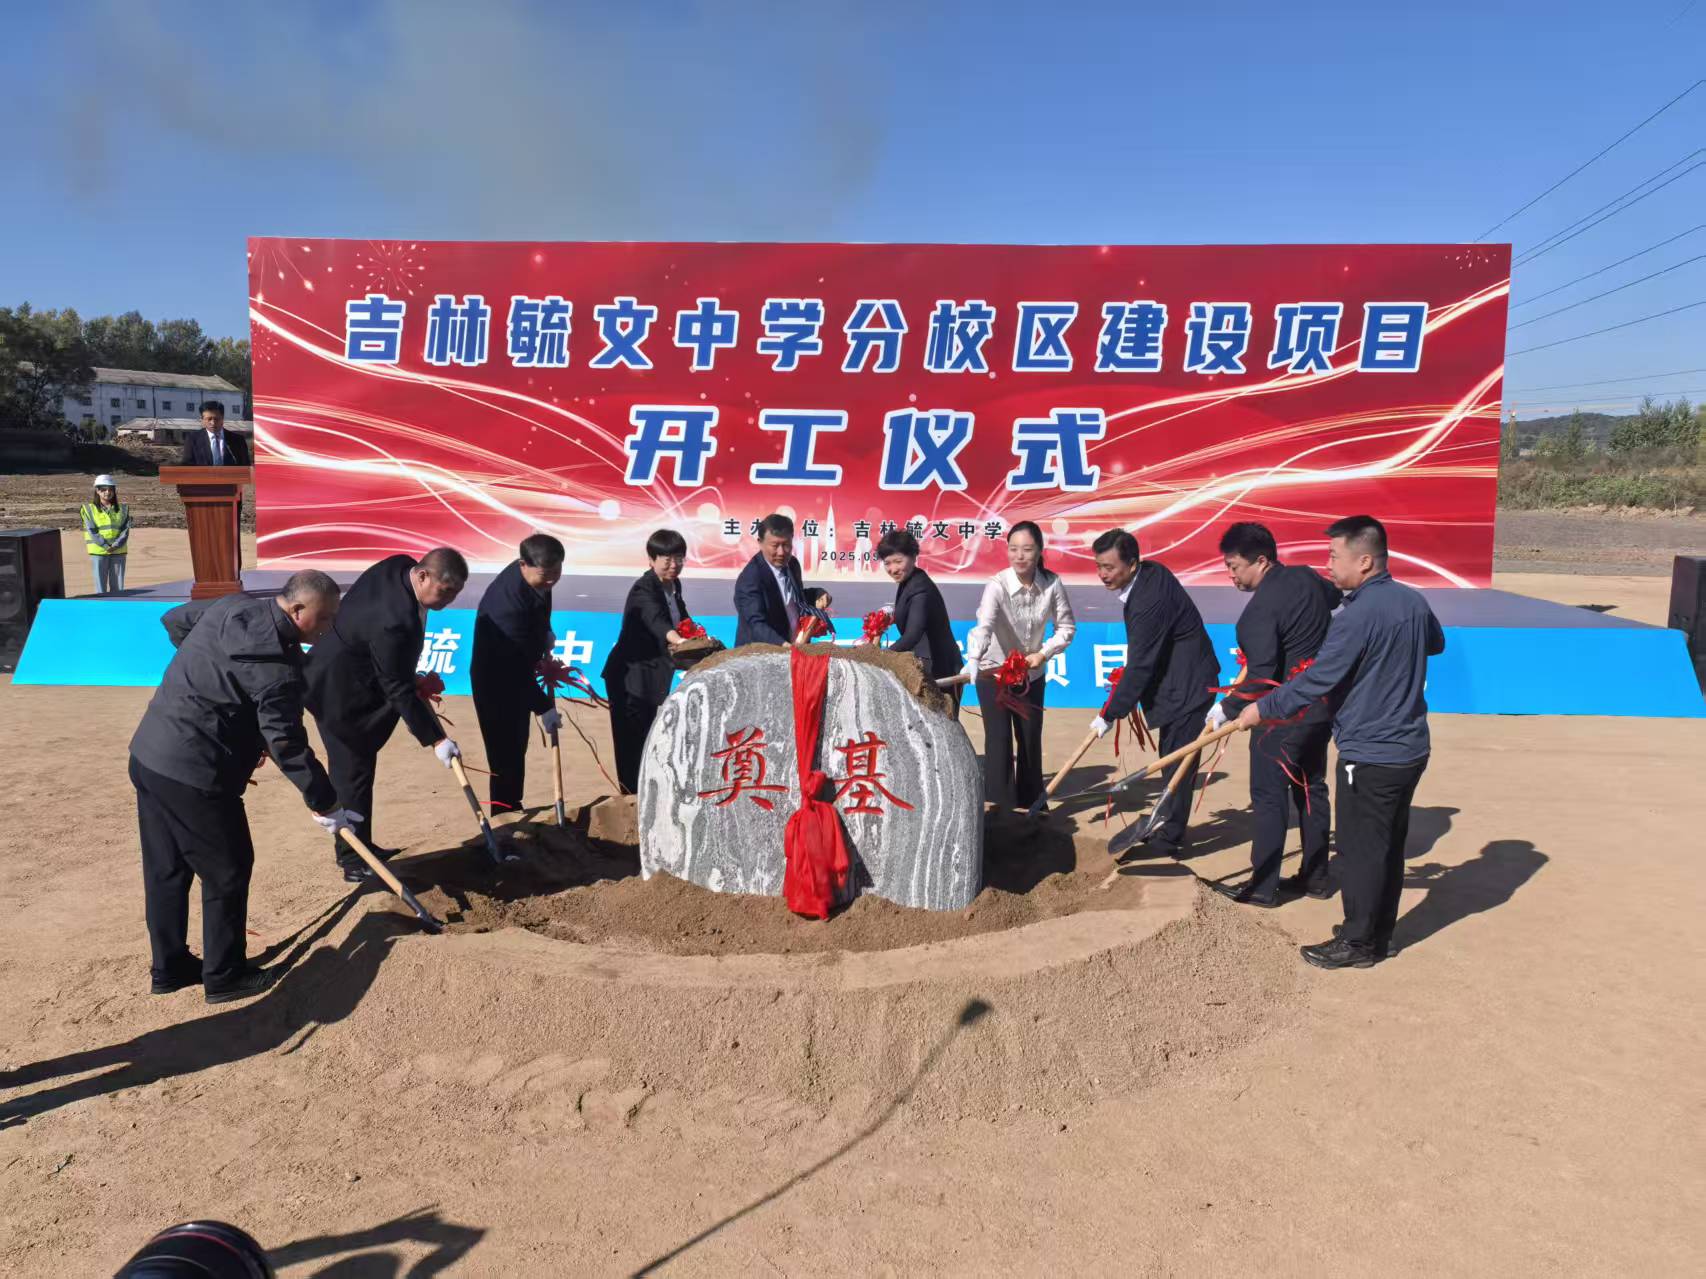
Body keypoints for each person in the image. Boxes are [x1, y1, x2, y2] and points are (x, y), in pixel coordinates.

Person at [128, 571, 358, 1003]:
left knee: (167, 868)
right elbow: (287, 744)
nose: (328, 628)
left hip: (149, 754)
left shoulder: (230, 605)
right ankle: (224, 975)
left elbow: (175, 620)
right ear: (297, 609)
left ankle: (169, 967)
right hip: (194, 774)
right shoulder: (276, 671)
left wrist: (207, 675)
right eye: (325, 618)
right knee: (228, 868)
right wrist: (326, 801)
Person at [1236, 515, 1445, 969]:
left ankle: (1358, 943)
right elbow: (1435, 643)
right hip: (1410, 749)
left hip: (1370, 752)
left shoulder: (1357, 616)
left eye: (1334, 556)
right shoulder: (1412, 600)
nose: (1328, 565)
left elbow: (1317, 680)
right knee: (1386, 846)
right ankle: (1377, 934)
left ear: (1364, 561)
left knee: (1359, 849)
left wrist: (1261, 708)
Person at [304, 548, 468, 882]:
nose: (448, 601)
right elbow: (397, 688)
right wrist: (436, 740)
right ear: (423, 575)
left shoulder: (400, 565)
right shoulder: (394, 621)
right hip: (338, 691)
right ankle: (353, 860)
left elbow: (394, 670)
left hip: (351, 669)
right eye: (445, 591)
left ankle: (362, 844)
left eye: (455, 593)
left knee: (361, 767)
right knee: (352, 770)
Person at [1207, 522, 1343, 907]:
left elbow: (1262, 674)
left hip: (1281, 716)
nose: (1231, 575)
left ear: (1262, 561)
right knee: (1311, 788)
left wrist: (1226, 707)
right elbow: (1334, 596)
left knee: (1268, 796)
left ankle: (1263, 887)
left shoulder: (1256, 614)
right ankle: (1316, 878)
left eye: (1235, 566)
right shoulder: (1306, 577)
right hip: (1321, 706)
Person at [1091, 529, 1220, 859]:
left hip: (1189, 686)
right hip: (1179, 680)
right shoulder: (1151, 573)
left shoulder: (1148, 601)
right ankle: (1166, 824)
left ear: (1133, 564)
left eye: (1109, 567)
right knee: (1172, 757)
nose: (1103, 574)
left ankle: (1169, 836)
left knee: (1178, 761)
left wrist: (1109, 713)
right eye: (1099, 566)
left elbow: (1140, 665)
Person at [965, 521, 1077, 810]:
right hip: (993, 672)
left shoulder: (1052, 584)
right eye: (1013, 549)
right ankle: (998, 807)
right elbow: (984, 625)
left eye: (1027, 549)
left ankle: (1032, 805)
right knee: (998, 740)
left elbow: (1066, 628)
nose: (1019, 556)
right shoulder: (997, 585)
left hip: (1031, 674)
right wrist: (974, 658)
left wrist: (1044, 653)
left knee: (1029, 738)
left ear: (1039, 551)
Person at [472, 533, 564, 816]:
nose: (552, 580)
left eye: (557, 572)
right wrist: (544, 707)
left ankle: (513, 804)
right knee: (504, 750)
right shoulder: (507, 606)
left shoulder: (538, 577)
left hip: (518, 668)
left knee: (516, 745)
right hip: (495, 680)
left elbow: (541, 604)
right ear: (523, 564)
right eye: (546, 574)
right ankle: (504, 816)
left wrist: (544, 632)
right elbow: (512, 671)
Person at [601, 528, 696, 791]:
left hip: (653, 673)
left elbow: (682, 619)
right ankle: (631, 795)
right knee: (632, 740)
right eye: (667, 559)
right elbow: (657, 621)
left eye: (679, 558)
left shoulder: (674, 585)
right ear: (652, 560)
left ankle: (644, 790)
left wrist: (697, 638)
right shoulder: (643, 589)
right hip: (630, 677)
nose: (674, 565)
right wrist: (679, 642)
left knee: (647, 735)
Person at [878, 528, 964, 714]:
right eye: (887, 563)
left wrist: (881, 656)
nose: (893, 569)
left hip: (940, 668)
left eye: (898, 561)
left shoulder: (920, 589)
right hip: (926, 662)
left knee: (941, 724)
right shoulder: (909, 580)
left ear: (913, 556)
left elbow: (912, 635)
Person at [733, 513, 832, 646]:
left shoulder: (792, 564)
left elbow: (791, 599)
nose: (781, 552)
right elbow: (756, 623)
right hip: (761, 652)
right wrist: (784, 646)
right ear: (760, 543)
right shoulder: (750, 579)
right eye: (775, 545)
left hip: (794, 648)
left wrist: (818, 594)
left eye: (786, 545)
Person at [81, 473, 131, 594]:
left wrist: (115, 545)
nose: (107, 492)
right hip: (99, 552)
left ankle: (117, 605)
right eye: (103, 489)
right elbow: (92, 530)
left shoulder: (123, 509)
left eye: (110, 489)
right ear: (97, 491)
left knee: (118, 589)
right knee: (101, 590)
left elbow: (125, 530)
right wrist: (105, 545)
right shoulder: (88, 509)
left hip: (118, 551)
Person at [180, 402, 250, 467]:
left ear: (222, 418)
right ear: (202, 420)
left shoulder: (238, 440)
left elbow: (246, 466)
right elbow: (187, 465)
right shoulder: (192, 439)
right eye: (209, 419)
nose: (213, 423)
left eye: (216, 419)